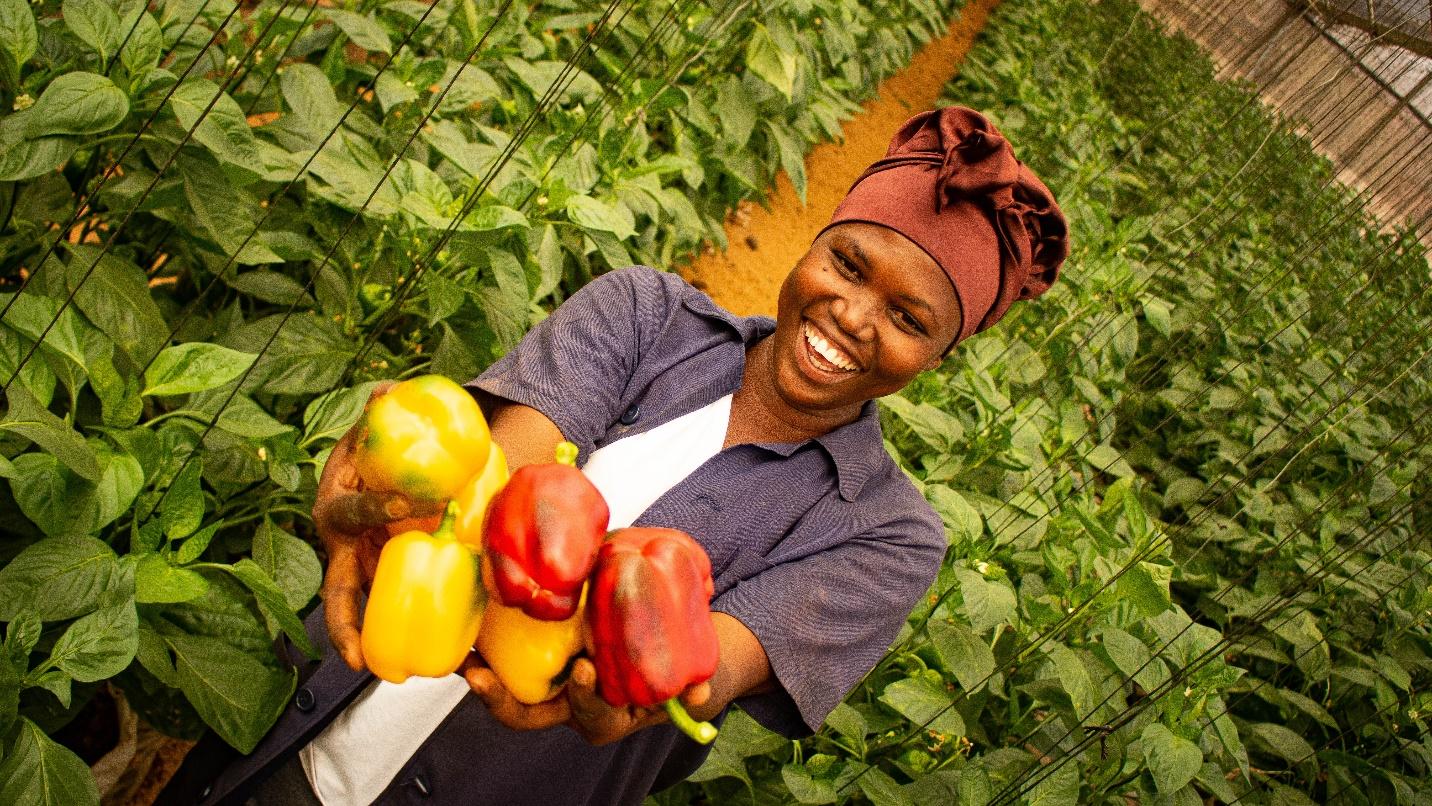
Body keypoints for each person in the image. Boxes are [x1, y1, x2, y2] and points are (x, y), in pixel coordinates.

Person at [157, 106, 1067, 805]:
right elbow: (498, 483)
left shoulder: (887, 534)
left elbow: (700, 667)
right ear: (817, 242)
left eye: (910, 320)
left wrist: (630, 674)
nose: (853, 317)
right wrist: (386, 481)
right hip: (296, 721)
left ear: (940, 358)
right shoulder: (644, 315)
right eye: (848, 263)